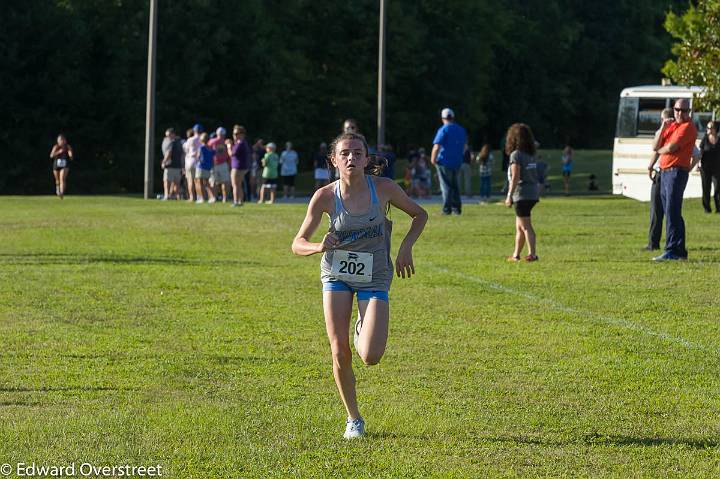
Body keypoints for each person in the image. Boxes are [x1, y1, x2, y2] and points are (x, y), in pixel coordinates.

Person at [291, 131, 428, 439]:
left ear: (367, 159)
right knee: (339, 351)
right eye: (345, 153)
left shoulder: (384, 188)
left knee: (370, 355)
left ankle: (360, 327)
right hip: (336, 275)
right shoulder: (325, 196)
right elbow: (296, 244)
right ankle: (354, 419)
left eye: (357, 153)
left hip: (375, 275)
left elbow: (420, 215)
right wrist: (317, 246)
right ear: (334, 160)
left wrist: (406, 247)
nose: (351, 157)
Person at [652, 98, 699, 261]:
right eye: (677, 110)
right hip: (666, 172)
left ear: (689, 112)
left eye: (684, 110)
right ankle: (679, 251)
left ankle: (672, 250)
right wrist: (663, 127)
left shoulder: (688, 127)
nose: (680, 113)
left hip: (676, 172)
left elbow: (671, 147)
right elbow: (654, 145)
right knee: (672, 212)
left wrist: (660, 149)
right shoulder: (672, 126)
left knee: (672, 211)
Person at [504, 123, 540, 262]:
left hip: (522, 194)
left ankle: (532, 254)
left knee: (525, 226)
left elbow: (515, 177)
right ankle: (516, 255)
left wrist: (509, 196)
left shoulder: (516, 155)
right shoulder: (530, 155)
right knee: (519, 226)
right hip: (532, 193)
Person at [645, 108, 674, 251]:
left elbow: (657, 150)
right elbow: (656, 150)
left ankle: (657, 243)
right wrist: (650, 166)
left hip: (666, 173)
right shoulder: (661, 133)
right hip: (661, 173)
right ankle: (653, 243)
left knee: (661, 210)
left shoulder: (675, 133)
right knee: (659, 210)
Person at [431, 108, 467, 215]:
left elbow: (437, 146)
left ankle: (447, 209)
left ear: (443, 118)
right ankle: (457, 208)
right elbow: (464, 147)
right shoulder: (461, 129)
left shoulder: (444, 129)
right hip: (457, 161)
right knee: (454, 185)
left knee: (446, 185)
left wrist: (433, 159)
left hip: (444, 161)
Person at [699, 120, 720, 214]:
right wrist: (697, 164)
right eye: (707, 127)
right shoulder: (705, 139)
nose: (708, 129)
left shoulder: (719, 139)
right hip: (705, 168)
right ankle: (707, 208)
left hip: (717, 168)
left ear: (715, 129)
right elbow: (701, 152)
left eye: (710, 127)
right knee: (706, 188)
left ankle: (718, 208)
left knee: (717, 189)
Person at [230, 125, 251, 207]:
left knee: (235, 185)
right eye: (234, 134)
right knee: (239, 185)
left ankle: (236, 201)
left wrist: (228, 146)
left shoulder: (240, 143)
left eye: (237, 133)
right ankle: (240, 201)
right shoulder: (242, 143)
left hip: (237, 167)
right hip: (241, 166)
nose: (235, 135)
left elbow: (232, 154)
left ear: (242, 134)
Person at [208, 127, 231, 202]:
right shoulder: (225, 142)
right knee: (224, 182)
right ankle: (225, 198)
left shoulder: (212, 141)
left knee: (214, 182)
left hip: (215, 164)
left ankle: (214, 197)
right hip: (222, 163)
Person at [161, 128, 184, 200]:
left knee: (167, 181)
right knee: (176, 182)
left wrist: (164, 161)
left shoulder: (171, 142)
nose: (167, 137)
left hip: (170, 165)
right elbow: (182, 155)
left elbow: (169, 153)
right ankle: (177, 196)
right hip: (178, 166)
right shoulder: (180, 142)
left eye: (168, 135)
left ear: (173, 134)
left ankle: (167, 195)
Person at [49, 134, 73, 199]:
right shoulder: (56, 147)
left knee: (62, 178)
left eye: (62, 140)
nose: (61, 141)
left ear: (65, 140)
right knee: (57, 180)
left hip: (65, 165)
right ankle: (58, 190)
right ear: (58, 141)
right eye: (60, 140)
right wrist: (58, 152)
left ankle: (62, 193)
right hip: (56, 164)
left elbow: (70, 153)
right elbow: (51, 155)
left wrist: (70, 155)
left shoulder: (67, 147)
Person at [195, 133, 216, 203]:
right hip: (208, 167)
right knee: (207, 183)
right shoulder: (210, 148)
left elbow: (198, 157)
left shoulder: (201, 147)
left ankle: (202, 198)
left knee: (200, 183)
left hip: (201, 166)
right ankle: (212, 197)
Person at [183, 126, 202, 202]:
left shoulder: (190, 139)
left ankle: (192, 197)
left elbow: (185, 150)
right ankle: (199, 197)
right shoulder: (202, 139)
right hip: (198, 162)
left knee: (190, 180)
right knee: (197, 181)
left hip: (190, 161)